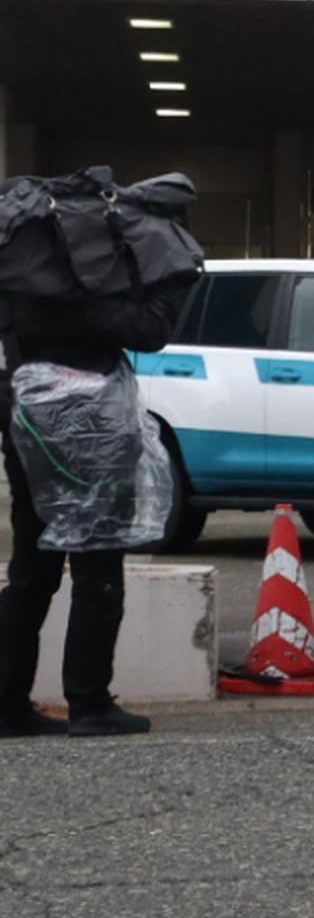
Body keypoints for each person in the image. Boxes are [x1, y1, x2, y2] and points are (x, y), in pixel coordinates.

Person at [0, 276, 191, 737]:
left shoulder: (16, 254)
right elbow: (145, 330)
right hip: (90, 422)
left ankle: (7, 704)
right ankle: (89, 702)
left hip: (24, 414)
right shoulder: (87, 263)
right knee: (99, 568)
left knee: (31, 572)